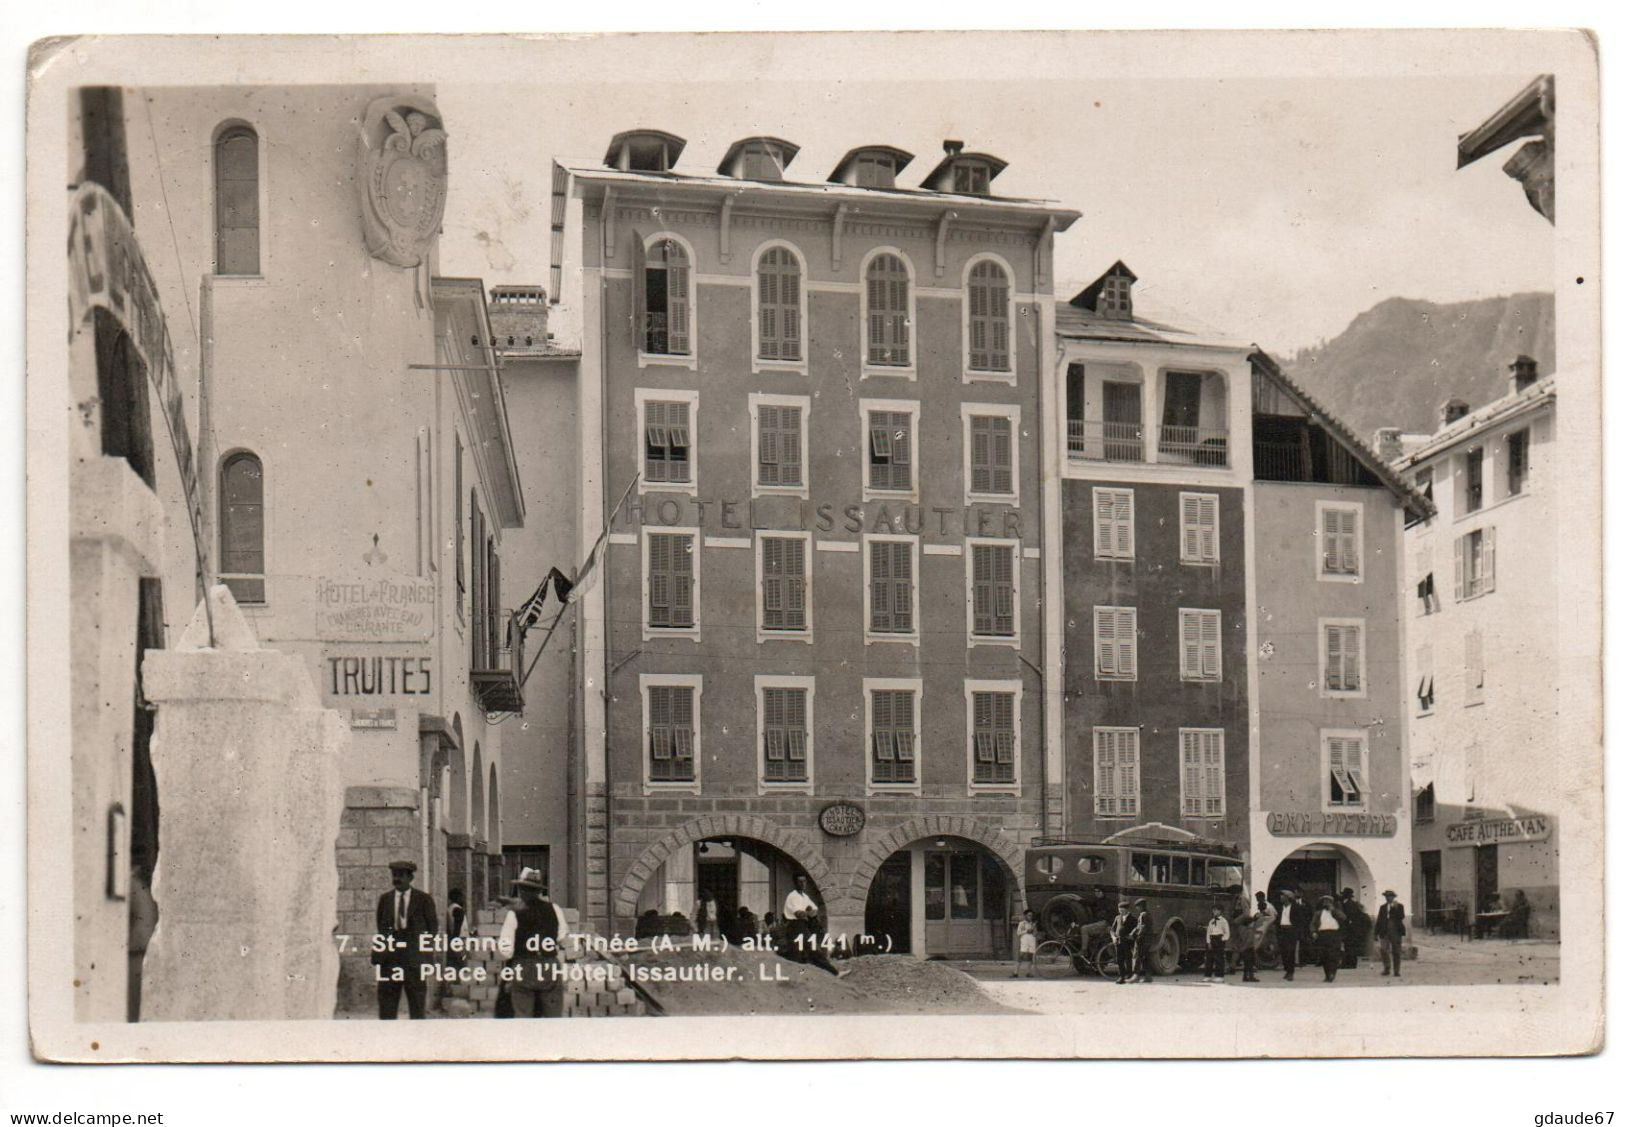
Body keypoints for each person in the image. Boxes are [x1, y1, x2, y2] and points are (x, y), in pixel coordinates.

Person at [373, 859, 438, 1019]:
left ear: (410, 878)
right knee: (387, 1008)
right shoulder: (385, 899)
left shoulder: (423, 899)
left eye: (401, 875)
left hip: (414, 961)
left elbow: (432, 929)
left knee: (417, 1006)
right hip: (390, 960)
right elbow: (381, 926)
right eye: (395, 875)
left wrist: (422, 954)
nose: (397, 879)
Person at [499, 867, 567, 1017]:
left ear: (521, 890)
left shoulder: (513, 913)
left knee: (523, 1016)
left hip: (524, 966)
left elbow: (506, 950)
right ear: (538, 891)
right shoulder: (554, 909)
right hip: (549, 965)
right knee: (553, 1017)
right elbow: (562, 937)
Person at [784, 874, 842, 976]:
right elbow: (799, 914)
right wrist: (807, 912)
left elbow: (815, 910)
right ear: (795, 883)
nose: (803, 884)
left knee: (802, 953)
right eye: (800, 881)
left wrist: (806, 913)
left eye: (804, 881)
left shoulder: (805, 897)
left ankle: (831, 973)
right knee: (810, 949)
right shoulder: (792, 896)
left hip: (803, 925)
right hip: (795, 926)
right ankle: (834, 973)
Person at [1240, 891, 1274, 983]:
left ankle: (1246, 975)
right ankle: (1249, 976)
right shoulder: (1258, 916)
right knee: (1250, 957)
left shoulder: (1256, 916)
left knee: (1248, 956)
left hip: (1249, 935)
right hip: (1251, 937)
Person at [1312, 894, 1347, 982]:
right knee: (1324, 956)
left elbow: (1343, 918)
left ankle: (1332, 973)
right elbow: (1313, 923)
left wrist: (1333, 910)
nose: (1326, 903)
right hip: (1323, 934)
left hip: (1334, 934)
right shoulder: (1318, 913)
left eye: (1328, 901)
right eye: (1324, 901)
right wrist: (1313, 932)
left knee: (1333, 955)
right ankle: (1327, 975)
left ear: (1332, 903)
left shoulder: (1336, 911)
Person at [1275, 889, 1306, 982]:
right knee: (1283, 952)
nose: (1281, 897)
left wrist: (1297, 931)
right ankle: (1287, 970)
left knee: (1290, 952)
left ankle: (1290, 972)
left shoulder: (1295, 907)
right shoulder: (1280, 908)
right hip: (1282, 930)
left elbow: (1300, 920)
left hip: (1291, 931)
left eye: (1283, 896)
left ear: (1288, 898)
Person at [1374, 889, 1407, 978]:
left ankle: (1396, 970)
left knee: (1396, 951)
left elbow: (1401, 916)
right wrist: (1375, 933)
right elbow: (1379, 920)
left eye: (1390, 896)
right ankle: (1387, 968)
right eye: (1387, 896)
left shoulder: (1399, 906)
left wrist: (1394, 908)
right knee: (1383, 949)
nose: (1388, 898)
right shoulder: (1382, 907)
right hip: (1384, 930)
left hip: (1396, 931)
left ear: (1393, 897)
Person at [1339, 887, 1370, 969]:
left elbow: (1349, 916)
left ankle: (1349, 964)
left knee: (1349, 946)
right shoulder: (1352, 903)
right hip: (1353, 928)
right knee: (1351, 946)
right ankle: (1351, 963)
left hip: (1351, 928)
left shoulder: (1349, 904)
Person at [1109, 900, 1135, 984]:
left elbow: (1136, 930)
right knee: (1119, 959)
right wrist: (1113, 937)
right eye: (1119, 909)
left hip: (1127, 942)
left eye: (1122, 909)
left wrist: (1131, 936)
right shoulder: (1117, 918)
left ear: (1127, 909)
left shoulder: (1133, 919)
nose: (1120, 911)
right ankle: (1121, 976)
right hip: (1118, 942)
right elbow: (1112, 930)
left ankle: (1129, 975)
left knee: (1128, 958)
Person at [1130, 898, 1156, 984]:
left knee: (1137, 957)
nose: (1137, 908)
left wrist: (1136, 935)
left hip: (1142, 939)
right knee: (1145, 958)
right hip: (1148, 939)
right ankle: (1148, 977)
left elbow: (1142, 927)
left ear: (1141, 907)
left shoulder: (1143, 915)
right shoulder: (1147, 914)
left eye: (1137, 906)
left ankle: (1136, 976)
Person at [1203, 904, 1230, 984]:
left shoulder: (1223, 921)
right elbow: (1208, 932)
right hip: (1212, 939)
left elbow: (1227, 932)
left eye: (1216, 910)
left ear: (1220, 911)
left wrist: (1222, 939)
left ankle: (1219, 976)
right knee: (1209, 959)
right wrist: (1208, 942)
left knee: (1219, 958)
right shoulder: (1211, 921)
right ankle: (1208, 976)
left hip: (1219, 939)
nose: (1214, 911)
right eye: (1213, 910)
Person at [445, 888, 468, 972]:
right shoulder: (458, 909)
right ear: (457, 897)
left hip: (455, 937)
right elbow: (457, 925)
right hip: (459, 937)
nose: (463, 899)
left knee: (456, 959)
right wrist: (455, 939)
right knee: (461, 959)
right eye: (461, 897)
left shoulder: (450, 908)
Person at [1013, 909, 1039, 978]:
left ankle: (1028, 972)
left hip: (1031, 940)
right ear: (1025, 916)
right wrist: (1026, 931)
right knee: (1021, 955)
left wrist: (1034, 929)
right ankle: (1015, 972)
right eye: (1029, 915)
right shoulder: (1022, 923)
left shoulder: (1033, 924)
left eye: (1031, 916)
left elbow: (1035, 934)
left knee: (1030, 957)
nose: (1030, 917)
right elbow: (1018, 933)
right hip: (1024, 940)